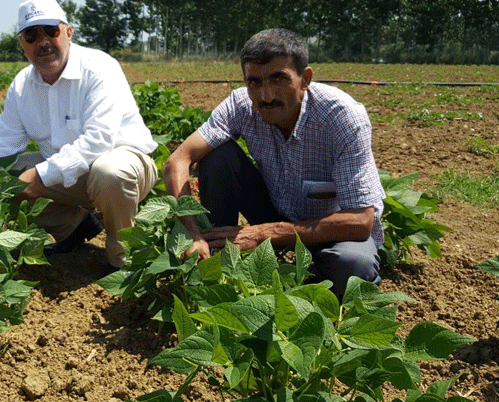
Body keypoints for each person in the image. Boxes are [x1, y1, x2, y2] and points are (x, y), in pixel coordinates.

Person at [163, 28, 384, 299]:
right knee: (217, 155)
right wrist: (191, 232)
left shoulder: (342, 116)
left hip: (330, 226)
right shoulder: (241, 105)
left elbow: (360, 221)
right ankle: (215, 258)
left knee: (352, 267)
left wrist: (265, 233)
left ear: (306, 79)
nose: (266, 95)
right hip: (273, 207)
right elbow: (177, 161)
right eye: (254, 82)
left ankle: (307, 285)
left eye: (278, 79)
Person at [0, 0, 158, 270]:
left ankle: (124, 261)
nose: (43, 42)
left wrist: (40, 176)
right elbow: (4, 143)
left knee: (109, 171)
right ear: (22, 43)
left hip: (124, 167)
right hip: (68, 175)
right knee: (2, 176)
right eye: (31, 34)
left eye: (51, 30)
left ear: (68, 32)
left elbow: (99, 139)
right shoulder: (22, 86)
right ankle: (75, 227)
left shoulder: (99, 67)